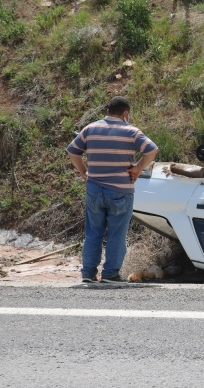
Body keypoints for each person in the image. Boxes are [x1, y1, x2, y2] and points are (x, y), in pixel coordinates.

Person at [67, 96, 158, 283]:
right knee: (117, 234)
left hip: (94, 189)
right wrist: (139, 168)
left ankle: (88, 274)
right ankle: (110, 274)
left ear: (107, 111)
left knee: (93, 232)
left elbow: (72, 151)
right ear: (125, 114)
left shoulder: (90, 129)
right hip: (120, 190)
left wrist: (84, 171)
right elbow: (151, 149)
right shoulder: (131, 131)